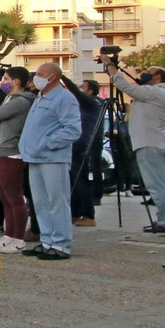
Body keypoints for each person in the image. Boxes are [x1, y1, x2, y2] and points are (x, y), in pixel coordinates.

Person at [105, 61, 165, 234]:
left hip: (150, 143)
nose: (144, 74)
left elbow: (124, 86)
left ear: (158, 77)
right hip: (158, 142)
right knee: (163, 184)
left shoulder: (155, 91)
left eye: (148, 72)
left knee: (157, 185)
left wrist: (110, 67)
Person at [18, 63, 82, 260]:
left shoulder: (64, 98)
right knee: (40, 202)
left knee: (57, 201)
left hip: (53, 159)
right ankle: (47, 241)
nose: (35, 77)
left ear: (52, 77)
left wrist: (47, 143)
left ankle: (61, 244)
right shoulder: (41, 96)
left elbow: (72, 129)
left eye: (40, 74)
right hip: (34, 157)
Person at [0, 66, 35, 252]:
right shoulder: (11, 98)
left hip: (11, 153)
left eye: (7, 78)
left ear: (16, 81)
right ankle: (10, 236)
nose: (3, 81)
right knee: (5, 198)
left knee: (14, 198)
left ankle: (18, 239)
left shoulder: (21, 101)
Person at [66, 77, 103, 227]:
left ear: (90, 91)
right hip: (77, 142)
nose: (79, 89)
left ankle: (89, 214)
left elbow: (76, 93)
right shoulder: (86, 103)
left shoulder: (91, 102)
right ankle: (76, 213)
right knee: (73, 179)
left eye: (83, 87)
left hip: (82, 143)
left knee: (80, 179)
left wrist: (62, 77)